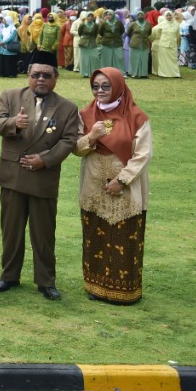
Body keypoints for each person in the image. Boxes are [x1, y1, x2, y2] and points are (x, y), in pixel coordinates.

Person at [0, 50, 81, 300]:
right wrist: (13, 124)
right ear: (28, 75)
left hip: (44, 177)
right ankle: (8, 276)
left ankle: (45, 281)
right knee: (11, 230)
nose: (41, 79)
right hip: (13, 174)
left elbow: (69, 140)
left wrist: (45, 160)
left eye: (46, 75)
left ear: (56, 77)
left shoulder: (67, 108)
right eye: (36, 74)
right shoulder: (10, 96)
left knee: (43, 233)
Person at [74, 68, 152, 304]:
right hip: (93, 184)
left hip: (126, 187)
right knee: (95, 234)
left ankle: (125, 291)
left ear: (117, 86)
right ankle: (96, 287)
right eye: (95, 86)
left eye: (105, 86)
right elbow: (77, 149)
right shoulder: (86, 114)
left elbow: (143, 154)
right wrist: (93, 137)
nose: (99, 91)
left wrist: (122, 180)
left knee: (124, 235)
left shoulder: (137, 117)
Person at [150, 9, 181, 79]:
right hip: (163, 44)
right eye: (167, 15)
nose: (169, 17)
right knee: (163, 61)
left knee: (173, 60)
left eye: (170, 15)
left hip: (173, 44)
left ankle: (174, 73)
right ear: (165, 17)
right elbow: (157, 34)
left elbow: (178, 35)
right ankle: (163, 73)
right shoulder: (161, 25)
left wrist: (178, 43)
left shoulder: (176, 24)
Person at [127, 11, 152, 79]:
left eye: (142, 15)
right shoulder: (133, 24)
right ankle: (134, 73)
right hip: (135, 43)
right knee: (134, 59)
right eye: (139, 15)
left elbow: (149, 33)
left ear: (144, 16)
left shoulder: (148, 24)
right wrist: (135, 37)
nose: (140, 16)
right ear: (137, 17)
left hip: (144, 44)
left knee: (144, 59)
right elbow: (128, 33)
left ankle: (144, 74)